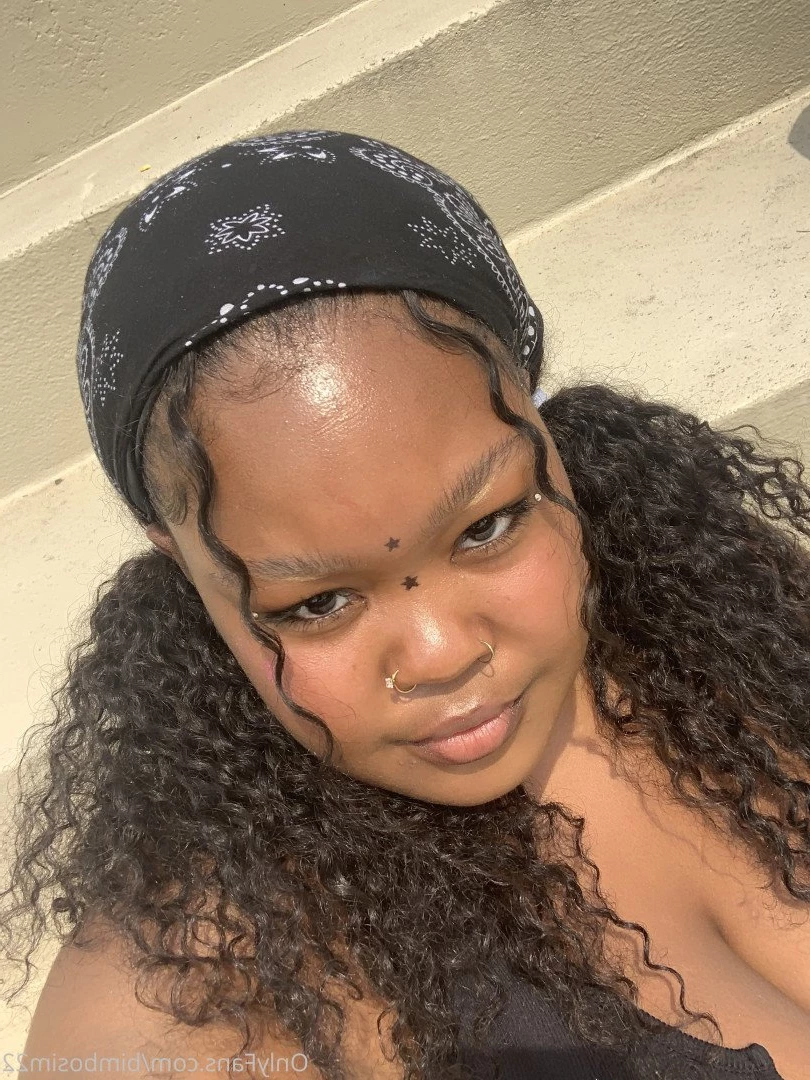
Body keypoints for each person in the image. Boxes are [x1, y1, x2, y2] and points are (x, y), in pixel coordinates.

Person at [1, 131, 808, 1080]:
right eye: (317, 603)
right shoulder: (198, 995)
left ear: (534, 412)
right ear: (180, 564)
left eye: (488, 526)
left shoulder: (716, 622)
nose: (440, 653)